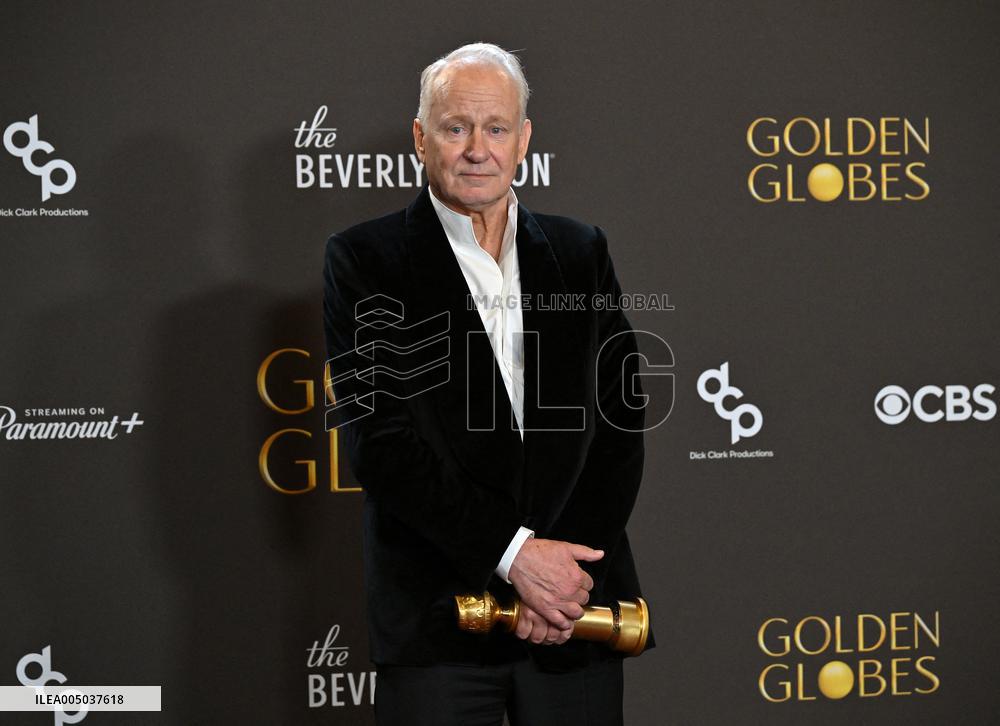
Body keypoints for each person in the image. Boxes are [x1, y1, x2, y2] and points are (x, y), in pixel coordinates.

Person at [322, 42, 650, 726]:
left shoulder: (581, 251)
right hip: (440, 621)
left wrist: (561, 580)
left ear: (524, 139)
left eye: (496, 128)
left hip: (574, 620)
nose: (478, 149)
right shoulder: (367, 260)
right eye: (455, 128)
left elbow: (620, 425)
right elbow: (382, 445)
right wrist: (515, 558)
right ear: (421, 137)